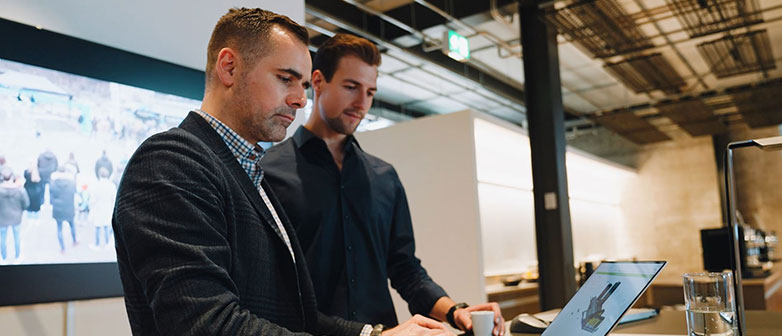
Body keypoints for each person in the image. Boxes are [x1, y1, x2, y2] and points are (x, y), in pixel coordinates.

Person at [112, 8, 452, 336]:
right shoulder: (171, 162)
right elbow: (207, 324)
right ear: (228, 67)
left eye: (301, 84)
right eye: (285, 79)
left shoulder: (250, 174)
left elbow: (295, 316)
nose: (300, 100)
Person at [262, 33, 505, 335]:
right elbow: (271, 292)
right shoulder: (267, 173)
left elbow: (405, 270)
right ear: (318, 81)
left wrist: (456, 311)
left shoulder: (384, 177)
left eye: (370, 92)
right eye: (351, 87)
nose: (362, 103)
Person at [0, 167, 29, 261]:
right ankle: (17, 256)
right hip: (16, 217)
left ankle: (3, 257)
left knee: (2, 238)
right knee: (16, 237)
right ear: (12, 177)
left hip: (2, 218)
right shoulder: (20, 190)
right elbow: (26, 204)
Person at [50, 165, 77, 253]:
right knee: (72, 225)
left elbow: (51, 196)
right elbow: (74, 193)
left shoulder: (53, 183)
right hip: (69, 207)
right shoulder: (71, 183)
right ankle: (74, 241)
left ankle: (62, 248)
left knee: (59, 229)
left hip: (58, 209)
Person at [89, 167, 115, 248]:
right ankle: (107, 243)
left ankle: (97, 244)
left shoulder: (96, 185)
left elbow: (92, 199)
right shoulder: (111, 185)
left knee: (97, 226)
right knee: (106, 225)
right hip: (107, 208)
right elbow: (113, 198)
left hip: (98, 208)